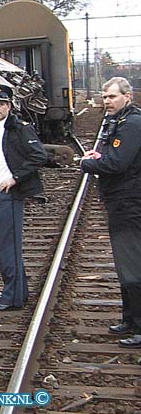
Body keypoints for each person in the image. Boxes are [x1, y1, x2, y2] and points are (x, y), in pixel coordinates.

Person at [80, 77, 141, 347]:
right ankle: (129, 320)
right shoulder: (123, 122)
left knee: (132, 265)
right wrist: (100, 157)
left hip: (129, 202)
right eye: (104, 96)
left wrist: (88, 163)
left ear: (127, 97)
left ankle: (138, 327)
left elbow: (117, 164)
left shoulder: (132, 125)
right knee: (125, 263)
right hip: (122, 201)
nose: (107, 101)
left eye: (112, 96)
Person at [0, 85, 47, 312]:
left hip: (6, 194)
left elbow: (39, 155)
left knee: (8, 247)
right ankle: (19, 293)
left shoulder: (20, 128)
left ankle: (10, 298)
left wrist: (15, 178)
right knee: (7, 245)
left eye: (1, 104)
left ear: (9, 106)